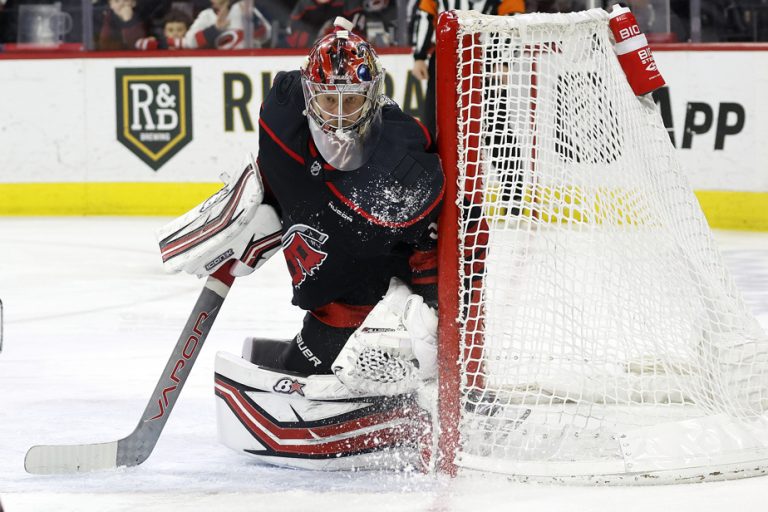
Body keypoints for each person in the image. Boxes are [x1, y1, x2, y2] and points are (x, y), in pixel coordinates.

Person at [158, 17, 443, 470]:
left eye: (353, 101)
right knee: (304, 359)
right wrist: (259, 204)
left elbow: (429, 243)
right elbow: (280, 167)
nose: (340, 114)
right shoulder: (281, 113)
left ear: (374, 99)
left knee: (336, 363)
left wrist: (433, 310)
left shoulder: (401, 168)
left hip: (368, 300)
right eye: (329, 99)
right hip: (325, 286)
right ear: (311, 95)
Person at [410, 0, 525, 138]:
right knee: (435, 120)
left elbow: (513, 19)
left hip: (486, 60)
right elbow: (426, 14)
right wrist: (420, 57)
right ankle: (433, 159)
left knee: (494, 124)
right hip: (445, 57)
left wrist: (504, 61)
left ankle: (503, 159)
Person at [183, 0, 271, 49]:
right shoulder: (207, 15)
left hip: (248, 59)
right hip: (219, 64)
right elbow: (189, 43)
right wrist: (214, 29)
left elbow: (266, 35)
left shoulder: (243, 8)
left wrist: (251, 19)